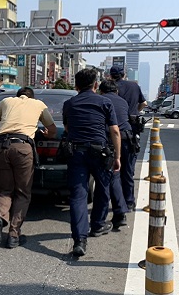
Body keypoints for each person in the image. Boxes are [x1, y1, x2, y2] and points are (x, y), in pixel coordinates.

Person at [0, 87, 57, 249]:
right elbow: (52, 130)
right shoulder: (38, 104)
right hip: (22, 147)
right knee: (22, 192)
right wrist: (46, 134)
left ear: (18, 95)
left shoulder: (6, 101)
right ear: (31, 97)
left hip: (0, 146)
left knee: (4, 189)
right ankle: (13, 235)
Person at [63, 69, 121, 257]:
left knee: (78, 195)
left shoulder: (69, 104)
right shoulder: (105, 102)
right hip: (100, 152)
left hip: (76, 153)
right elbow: (115, 131)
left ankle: (80, 240)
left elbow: (67, 127)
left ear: (76, 86)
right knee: (103, 188)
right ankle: (97, 225)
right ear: (95, 85)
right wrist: (118, 157)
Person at [109, 65, 147, 210]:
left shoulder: (108, 88)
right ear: (124, 74)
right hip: (130, 131)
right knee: (128, 170)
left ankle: (116, 203)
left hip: (111, 132)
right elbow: (143, 103)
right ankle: (129, 201)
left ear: (110, 76)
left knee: (112, 170)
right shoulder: (134, 86)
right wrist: (134, 112)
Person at [98, 79, 132, 229]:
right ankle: (128, 203)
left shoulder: (102, 101)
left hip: (112, 140)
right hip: (129, 140)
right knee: (126, 173)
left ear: (101, 91)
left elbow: (112, 128)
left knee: (111, 177)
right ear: (116, 91)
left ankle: (115, 214)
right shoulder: (123, 101)